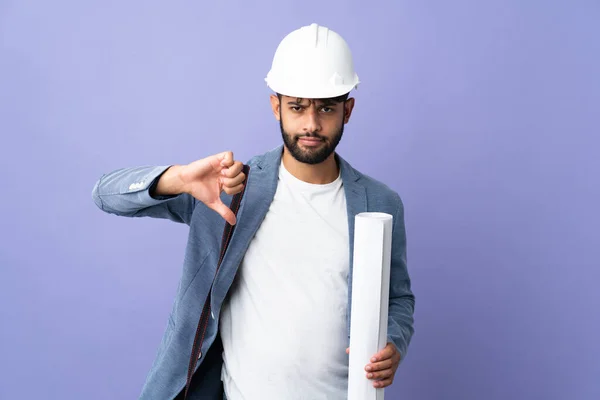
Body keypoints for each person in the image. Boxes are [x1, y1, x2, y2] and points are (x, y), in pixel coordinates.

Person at [92, 23, 415, 400]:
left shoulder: (379, 203)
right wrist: (177, 178)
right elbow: (105, 194)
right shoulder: (229, 189)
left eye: (326, 108)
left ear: (348, 110)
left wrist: (393, 341)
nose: (311, 124)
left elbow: (398, 298)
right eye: (297, 107)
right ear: (275, 106)